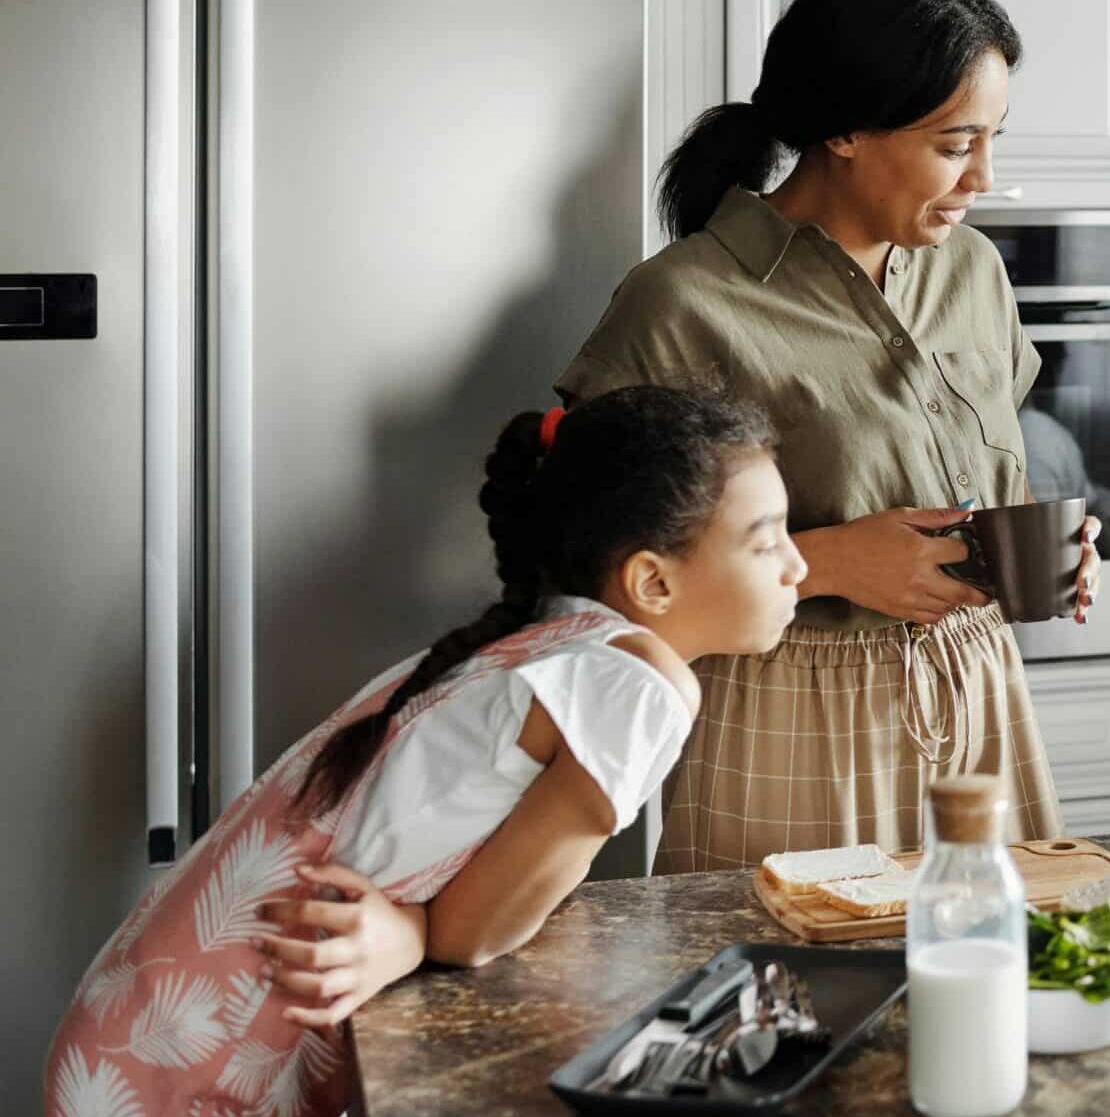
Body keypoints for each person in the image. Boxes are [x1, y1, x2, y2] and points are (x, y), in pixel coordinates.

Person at [46, 386, 801, 1117]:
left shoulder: (545, 642)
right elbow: (473, 933)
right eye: (767, 541)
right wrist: (416, 935)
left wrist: (414, 932)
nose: (797, 566)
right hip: (187, 1066)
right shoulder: (639, 684)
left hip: (137, 1022)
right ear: (653, 582)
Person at [558, 0, 1099, 867]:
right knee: (793, 996)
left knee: (1002, 987)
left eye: (991, 141)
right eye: (956, 144)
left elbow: (988, 465)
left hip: (981, 694)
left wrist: (1042, 552)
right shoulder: (686, 302)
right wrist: (826, 563)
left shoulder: (973, 273)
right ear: (845, 130)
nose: (984, 179)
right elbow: (597, 579)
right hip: (785, 716)